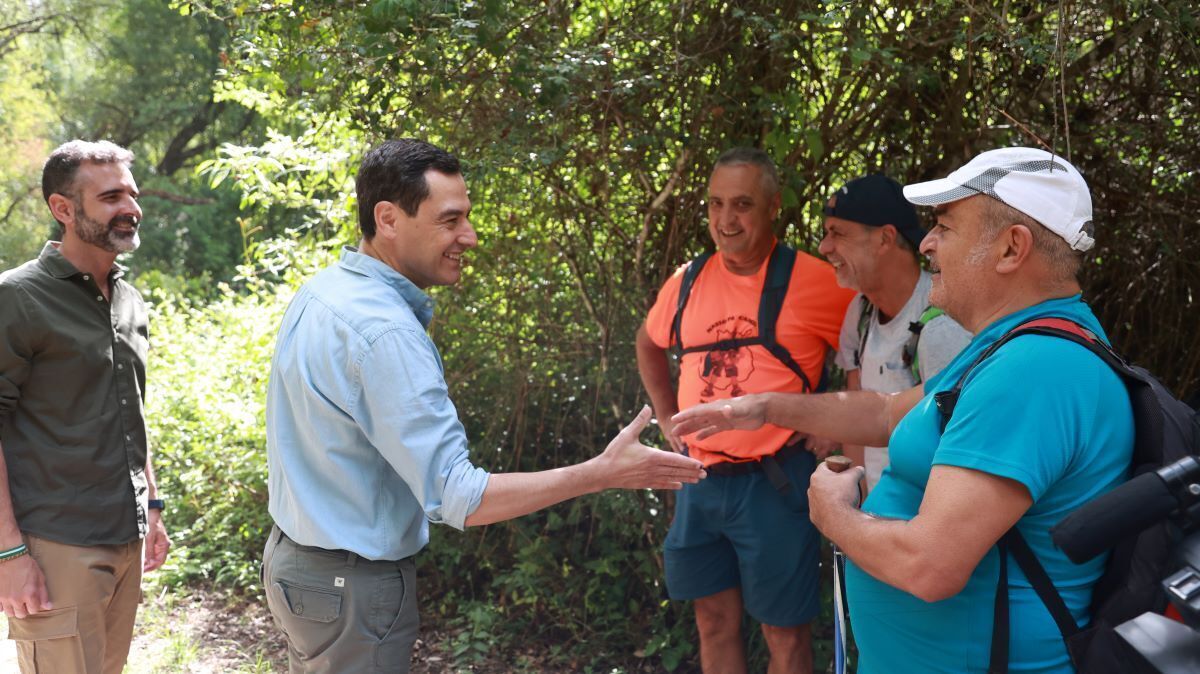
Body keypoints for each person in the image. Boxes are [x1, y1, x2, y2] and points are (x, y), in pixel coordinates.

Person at [671, 147, 1133, 673]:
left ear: (1011, 248)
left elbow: (929, 566)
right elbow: (890, 413)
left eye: (945, 227)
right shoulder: (1008, 348)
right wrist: (766, 407)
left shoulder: (1034, 370)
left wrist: (834, 513)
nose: (928, 243)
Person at [262, 138, 706, 673]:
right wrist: (601, 472)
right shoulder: (384, 333)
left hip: (296, 569)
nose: (468, 238)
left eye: (466, 218)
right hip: (349, 588)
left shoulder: (322, 293)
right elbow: (460, 497)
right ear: (388, 219)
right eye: (450, 221)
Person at [635, 147, 854, 674]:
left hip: (774, 481)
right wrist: (666, 418)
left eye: (742, 205)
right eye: (715, 204)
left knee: (785, 634)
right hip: (699, 479)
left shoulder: (816, 280)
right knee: (712, 619)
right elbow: (647, 342)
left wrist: (838, 427)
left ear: (773, 207)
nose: (725, 221)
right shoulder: (687, 280)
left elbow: (865, 355)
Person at [0, 140, 170, 673]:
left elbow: (129, 409)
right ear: (64, 209)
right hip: (56, 543)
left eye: (133, 194)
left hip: (126, 535)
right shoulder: (17, 298)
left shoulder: (129, 299)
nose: (131, 208)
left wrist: (155, 507)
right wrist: (7, 554)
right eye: (111, 196)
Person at [819, 173, 971, 489]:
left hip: (919, 517)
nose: (824, 247)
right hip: (876, 509)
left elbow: (958, 446)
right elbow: (855, 419)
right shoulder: (859, 313)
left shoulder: (942, 323)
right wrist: (858, 502)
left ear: (885, 239)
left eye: (837, 233)